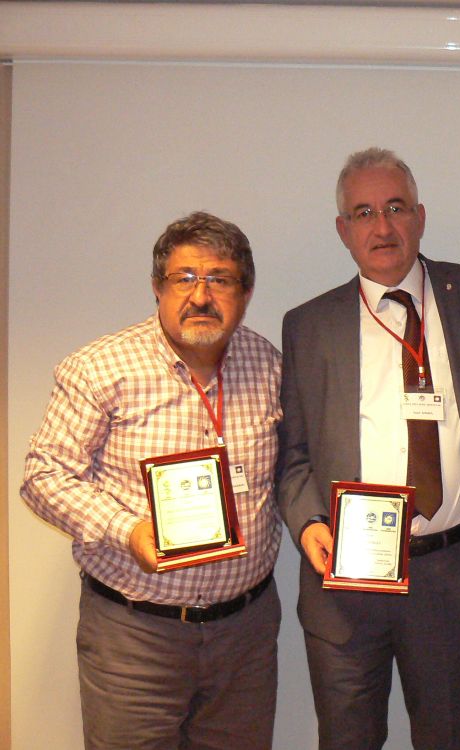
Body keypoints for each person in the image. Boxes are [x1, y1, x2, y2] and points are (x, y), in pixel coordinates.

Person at [277, 147, 460, 750]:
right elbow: (293, 455)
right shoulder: (308, 324)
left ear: (420, 216)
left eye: (395, 208)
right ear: (343, 230)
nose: (381, 227)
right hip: (348, 576)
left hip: (454, 572)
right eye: (363, 213)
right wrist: (308, 524)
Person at [21, 212, 282, 749]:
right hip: (134, 639)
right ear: (157, 287)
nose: (200, 295)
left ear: (246, 291)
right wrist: (127, 531)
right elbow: (43, 475)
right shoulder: (99, 368)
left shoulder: (270, 365)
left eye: (220, 279)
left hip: (246, 637)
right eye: (184, 278)